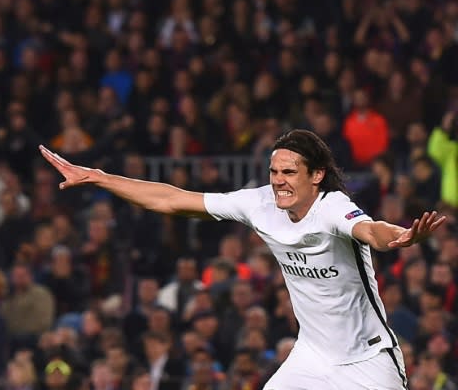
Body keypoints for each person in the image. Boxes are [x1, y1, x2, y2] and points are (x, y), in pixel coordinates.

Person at [39, 129, 447, 390]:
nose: (278, 181)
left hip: (367, 360)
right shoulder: (258, 203)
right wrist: (99, 177)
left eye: (289, 172)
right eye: (273, 171)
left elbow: (371, 229)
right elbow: (172, 199)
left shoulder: (333, 208)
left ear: (316, 175)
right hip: (312, 355)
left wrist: (402, 238)